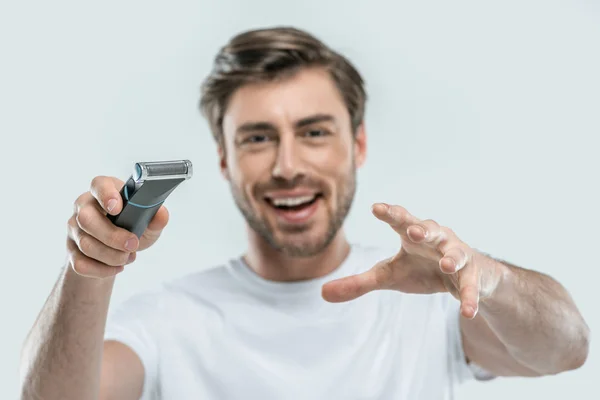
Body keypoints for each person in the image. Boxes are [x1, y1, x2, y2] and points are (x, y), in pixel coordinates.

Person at [19, 26, 590, 400]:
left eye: (314, 132)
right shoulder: (167, 321)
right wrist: (88, 272)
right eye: (258, 137)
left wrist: (489, 279)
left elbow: (568, 349)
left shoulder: (429, 300)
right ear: (224, 158)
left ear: (358, 143)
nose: (287, 165)